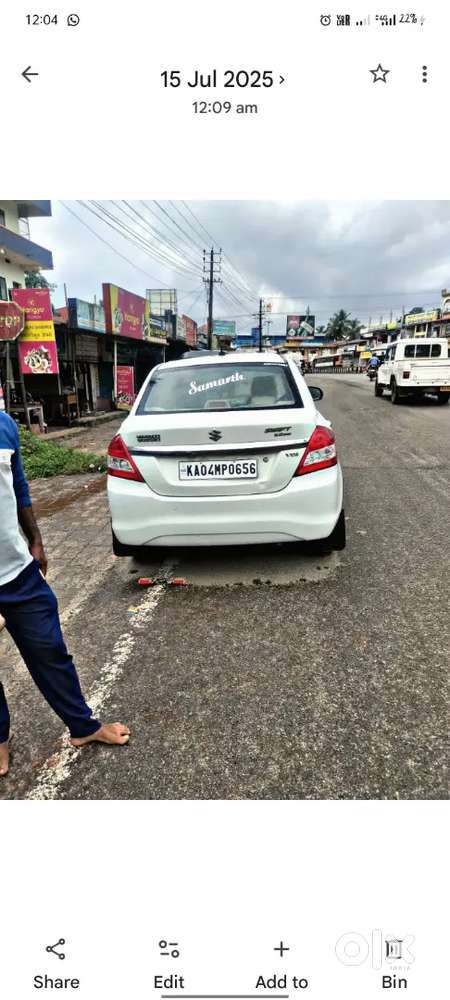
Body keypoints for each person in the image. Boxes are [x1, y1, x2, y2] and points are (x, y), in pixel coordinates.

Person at [0, 409, 130, 778]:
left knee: (49, 650)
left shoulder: (4, 425)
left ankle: (83, 727)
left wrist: (36, 540)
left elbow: (18, 487)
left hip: (17, 571)